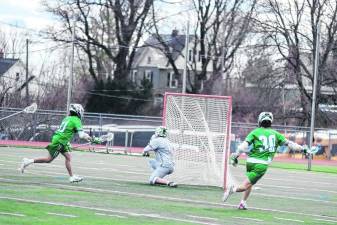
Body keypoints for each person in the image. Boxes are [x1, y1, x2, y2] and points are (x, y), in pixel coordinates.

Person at [223, 112, 307, 210]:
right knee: (245, 186)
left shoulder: (255, 132)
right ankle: (232, 189)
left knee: (250, 183)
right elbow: (291, 144)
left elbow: (243, 146)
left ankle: (243, 203)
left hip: (250, 162)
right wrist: (302, 149)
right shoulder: (276, 134)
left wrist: (236, 155)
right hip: (261, 165)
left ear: (260, 121)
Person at [20, 104, 100, 183]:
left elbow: (70, 131)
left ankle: (72, 177)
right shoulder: (76, 120)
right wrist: (93, 139)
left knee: (68, 157)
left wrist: (90, 139)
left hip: (61, 140)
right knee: (48, 159)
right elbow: (82, 135)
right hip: (60, 141)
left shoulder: (67, 118)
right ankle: (28, 161)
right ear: (78, 111)